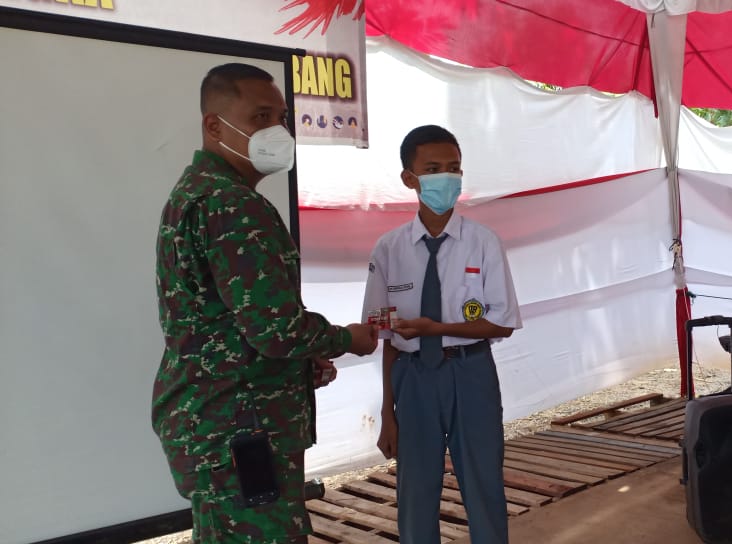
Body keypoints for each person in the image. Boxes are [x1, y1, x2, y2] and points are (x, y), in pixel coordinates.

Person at [152, 63, 379, 544]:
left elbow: (228, 324)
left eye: (281, 118)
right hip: (243, 429)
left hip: (223, 422)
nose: (277, 131)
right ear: (214, 126)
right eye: (260, 117)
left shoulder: (195, 193)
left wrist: (299, 363)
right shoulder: (231, 204)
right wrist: (346, 339)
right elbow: (276, 330)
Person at [363, 125, 521, 544]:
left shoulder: (483, 243)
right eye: (432, 169)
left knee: (484, 483)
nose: (446, 178)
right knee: (415, 489)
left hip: (471, 372)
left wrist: (441, 329)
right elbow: (386, 338)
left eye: (453, 168)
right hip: (413, 377)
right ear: (409, 178)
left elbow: (503, 322)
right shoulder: (389, 250)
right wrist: (388, 412)